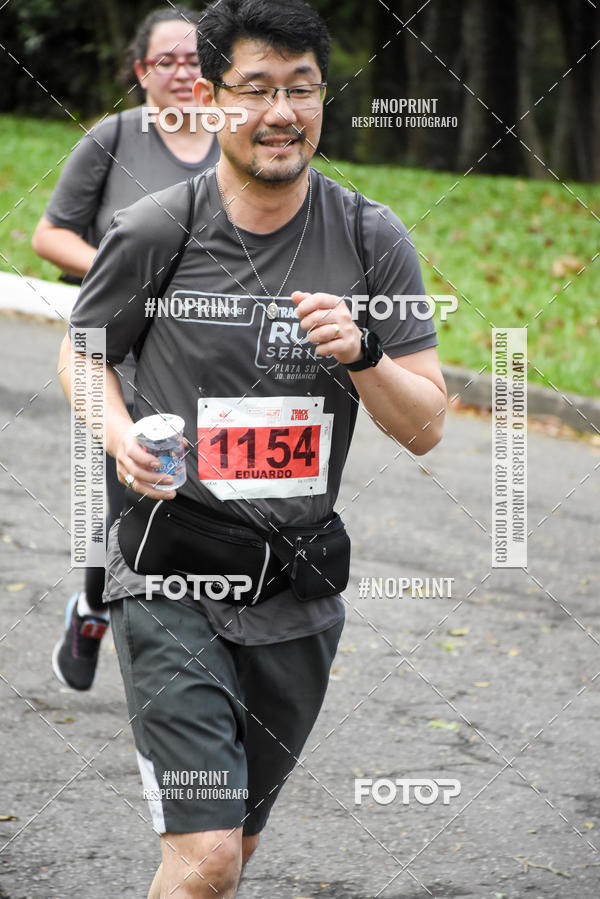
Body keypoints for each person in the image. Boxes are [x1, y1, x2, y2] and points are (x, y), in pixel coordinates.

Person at [58, 0, 447, 894]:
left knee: (238, 851)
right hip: (172, 574)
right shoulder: (162, 227)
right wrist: (121, 439)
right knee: (205, 859)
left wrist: (365, 352)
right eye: (257, 88)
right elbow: (83, 354)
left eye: (303, 89)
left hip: (297, 589)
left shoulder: (368, 236)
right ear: (211, 98)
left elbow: (426, 426)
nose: (282, 111)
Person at [32, 5, 220, 691]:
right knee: (125, 488)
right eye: (165, 60)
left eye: (194, 59)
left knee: (198, 490)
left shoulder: (235, 142)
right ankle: (94, 604)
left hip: (204, 350)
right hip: (120, 348)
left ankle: (189, 635)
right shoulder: (112, 139)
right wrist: (127, 273)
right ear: (140, 71)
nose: (180, 72)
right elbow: (50, 235)